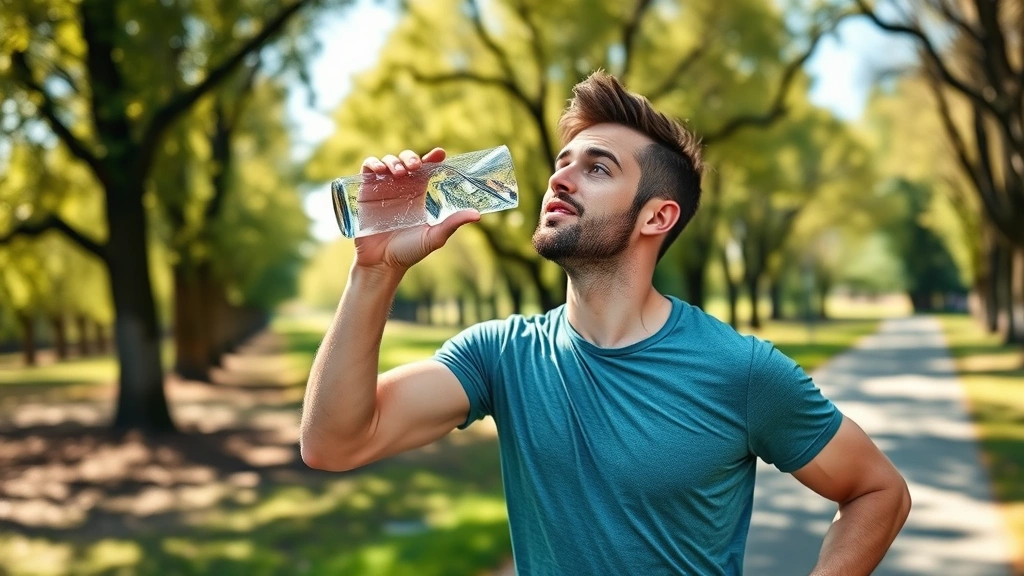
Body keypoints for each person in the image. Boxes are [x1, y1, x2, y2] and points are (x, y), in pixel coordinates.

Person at [300, 71, 911, 575]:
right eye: (562, 163)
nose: (559, 178)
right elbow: (335, 442)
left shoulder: (741, 372)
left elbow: (878, 492)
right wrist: (374, 271)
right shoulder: (501, 357)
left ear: (657, 217)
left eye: (597, 168)